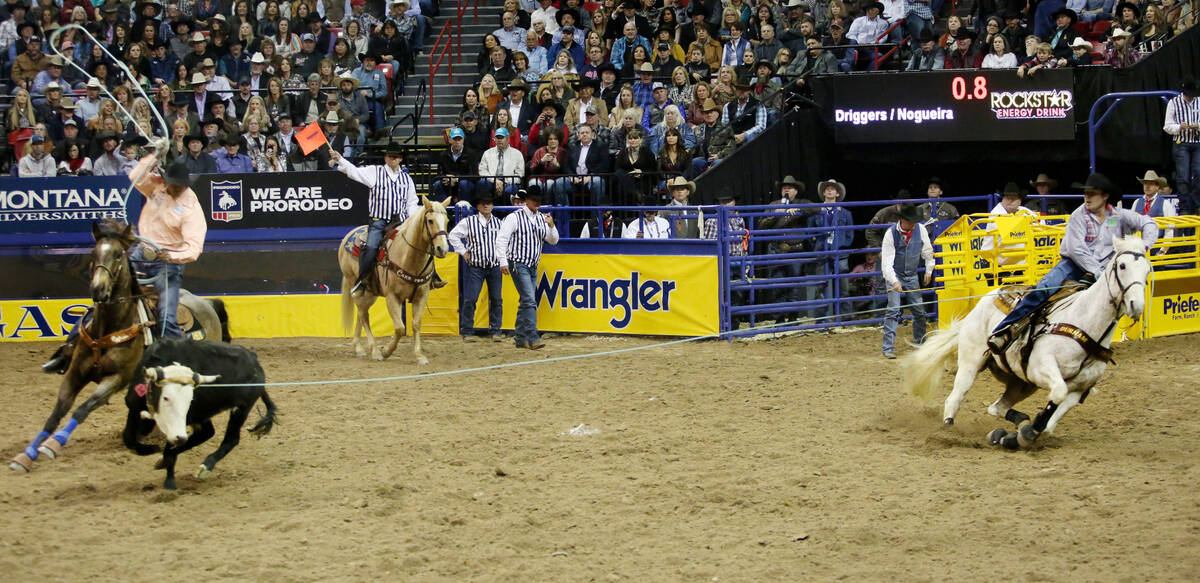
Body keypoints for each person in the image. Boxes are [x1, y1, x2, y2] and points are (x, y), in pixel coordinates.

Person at [987, 173, 1159, 353]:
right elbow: (1077, 249)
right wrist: (1097, 270)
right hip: (1073, 266)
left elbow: (1148, 223)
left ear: (1105, 196)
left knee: (1122, 291)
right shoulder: (1079, 215)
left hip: (1104, 269)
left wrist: (1144, 246)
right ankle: (1004, 330)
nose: (1087, 197)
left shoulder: (1119, 216)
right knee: (1043, 288)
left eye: (1092, 194)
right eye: (1086, 194)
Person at [132, 156, 208, 339]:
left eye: (178, 186)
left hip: (167, 264)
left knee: (166, 317)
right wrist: (155, 155)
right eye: (172, 184)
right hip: (141, 252)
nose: (174, 189)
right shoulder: (157, 186)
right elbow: (136, 176)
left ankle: (180, 352)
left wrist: (171, 256)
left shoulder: (191, 207)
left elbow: (194, 247)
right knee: (107, 292)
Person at [331, 143, 421, 295]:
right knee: (372, 247)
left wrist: (411, 221)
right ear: (386, 158)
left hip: (401, 221)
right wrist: (340, 159)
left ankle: (430, 277)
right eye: (390, 156)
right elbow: (354, 172)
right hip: (379, 221)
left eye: (396, 157)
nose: (392, 159)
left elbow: (412, 202)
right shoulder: (375, 172)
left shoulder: (407, 179)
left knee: (419, 244)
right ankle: (363, 280)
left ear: (400, 159)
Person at [496, 187, 559, 350]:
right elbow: (502, 239)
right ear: (527, 200)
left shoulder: (542, 219)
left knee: (526, 300)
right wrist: (503, 260)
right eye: (534, 200)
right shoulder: (514, 217)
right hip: (518, 263)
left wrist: (552, 226)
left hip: (531, 265)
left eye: (539, 200)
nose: (537, 203)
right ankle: (532, 336)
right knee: (530, 300)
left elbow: (553, 240)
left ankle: (520, 337)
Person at [880, 203, 934, 359]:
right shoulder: (890, 234)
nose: (912, 224)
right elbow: (887, 263)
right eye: (910, 221)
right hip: (894, 274)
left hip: (911, 275)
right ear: (902, 220)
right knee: (893, 310)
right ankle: (888, 347)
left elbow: (928, 251)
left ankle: (920, 343)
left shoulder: (920, 230)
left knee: (919, 311)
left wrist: (929, 269)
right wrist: (894, 281)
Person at [450, 194, 505, 342]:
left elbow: (505, 242)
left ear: (492, 205)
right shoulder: (469, 222)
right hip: (476, 266)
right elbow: (453, 235)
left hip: (494, 266)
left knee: (496, 299)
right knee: (470, 299)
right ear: (478, 206)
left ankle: (496, 330)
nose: (486, 206)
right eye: (483, 203)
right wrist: (463, 252)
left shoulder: (499, 223)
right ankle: (467, 331)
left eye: (489, 203)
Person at [809, 179, 854, 321]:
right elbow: (810, 233)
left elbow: (850, 234)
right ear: (823, 192)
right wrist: (818, 246)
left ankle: (845, 318)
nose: (829, 191)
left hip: (840, 253)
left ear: (837, 193)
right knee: (821, 286)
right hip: (822, 252)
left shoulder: (845, 213)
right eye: (827, 189)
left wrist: (841, 245)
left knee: (843, 287)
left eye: (832, 189)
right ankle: (821, 319)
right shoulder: (816, 212)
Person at [1164, 78, 1200, 215]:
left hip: (1197, 142)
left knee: (1198, 173)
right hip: (1181, 143)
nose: (1189, 96)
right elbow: (1167, 126)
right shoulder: (1174, 103)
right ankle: (1185, 207)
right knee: (1183, 177)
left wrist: (1198, 125)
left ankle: (1197, 205)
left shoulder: (1199, 102)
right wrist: (1180, 127)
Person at [1127, 170, 1177, 252]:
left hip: (1156, 247)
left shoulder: (1166, 204)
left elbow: (1170, 231)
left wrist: (1162, 251)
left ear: (1157, 187)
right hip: (1138, 249)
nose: (1147, 186)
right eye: (1145, 183)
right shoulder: (1136, 202)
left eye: (1151, 184)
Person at [478, 127, 526, 202]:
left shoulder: (517, 154)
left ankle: (504, 213)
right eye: (497, 138)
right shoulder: (487, 153)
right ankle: (485, 209)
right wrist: (495, 181)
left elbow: (519, 174)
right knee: (482, 183)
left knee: (509, 190)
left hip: (510, 183)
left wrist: (505, 183)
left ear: (508, 139)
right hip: (492, 181)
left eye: (501, 137)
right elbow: (482, 171)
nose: (499, 140)